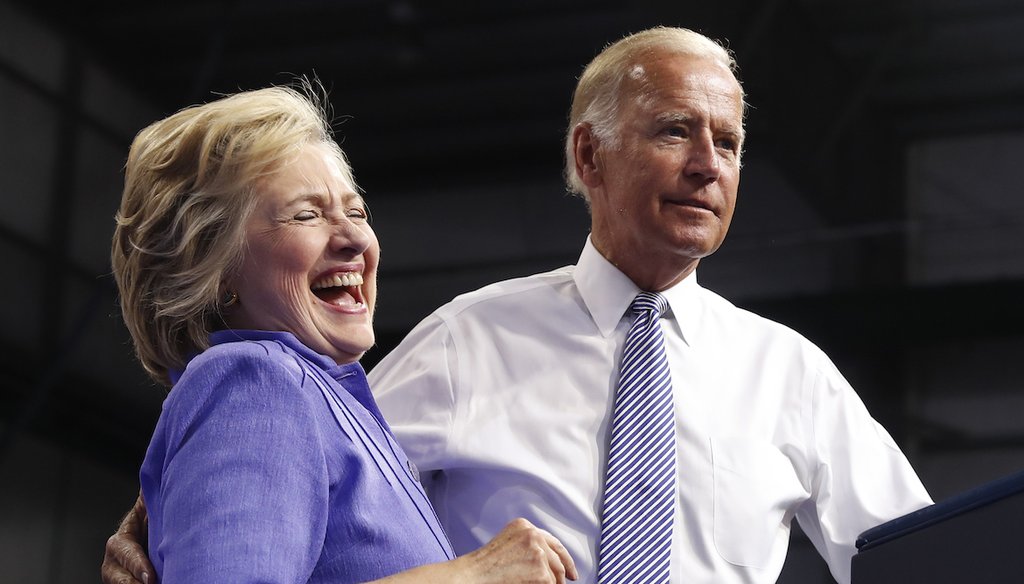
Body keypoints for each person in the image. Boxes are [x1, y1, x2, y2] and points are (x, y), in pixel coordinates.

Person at [103, 27, 932, 584]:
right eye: (677, 131)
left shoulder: (789, 373)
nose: (709, 165)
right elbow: (299, 468)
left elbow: (931, 558)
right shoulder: (467, 341)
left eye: (732, 144)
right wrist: (166, 516)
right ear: (590, 153)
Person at [103, 81, 576, 584]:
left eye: (356, 212)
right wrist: (472, 576)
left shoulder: (323, 404)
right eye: (306, 214)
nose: (354, 239)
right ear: (214, 268)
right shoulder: (253, 381)